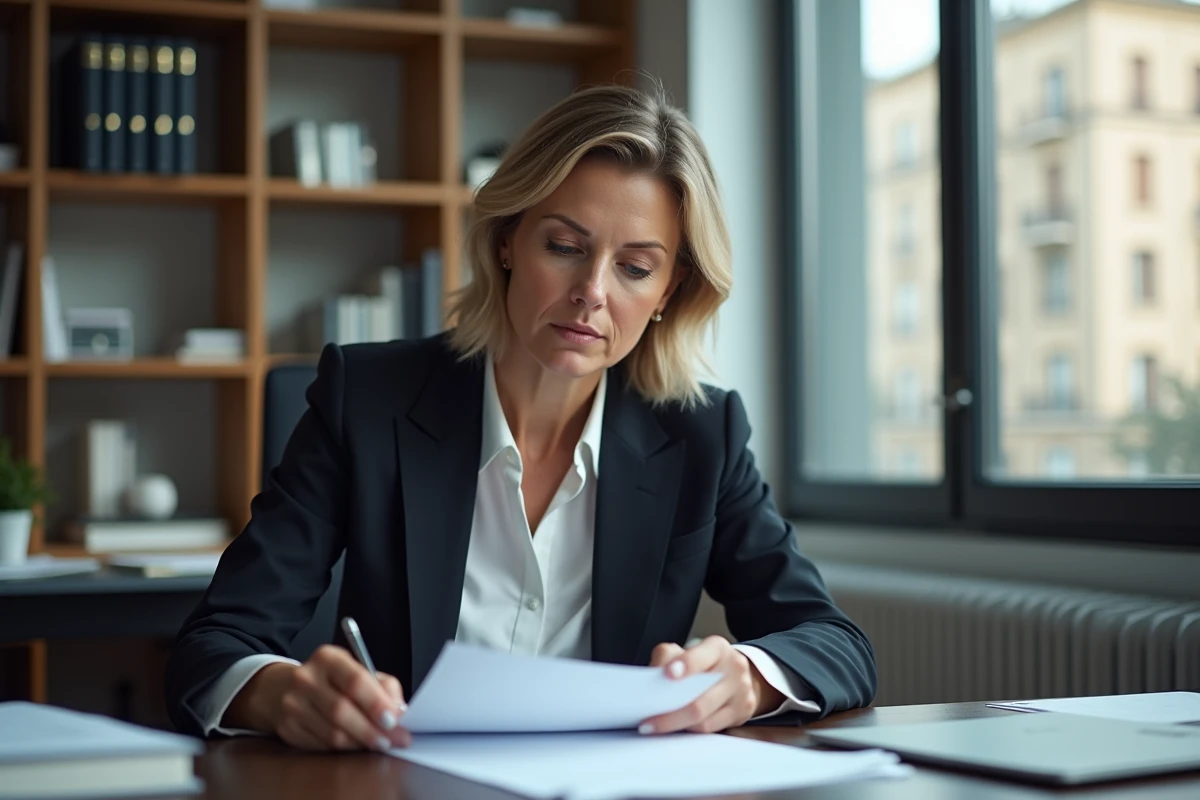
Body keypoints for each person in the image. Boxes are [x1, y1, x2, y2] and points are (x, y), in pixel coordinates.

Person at [165, 84, 876, 752]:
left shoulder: (700, 433)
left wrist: (746, 679)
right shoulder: (369, 399)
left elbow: (833, 642)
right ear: (507, 241)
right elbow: (215, 645)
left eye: (635, 267)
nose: (591, 293)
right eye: (564, 248)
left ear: (670, 290)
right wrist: (281, 693)